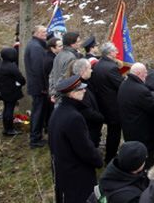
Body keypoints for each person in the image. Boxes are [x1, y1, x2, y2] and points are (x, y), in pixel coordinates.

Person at [48, 75, 103, 203]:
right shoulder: (74, 117)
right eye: (80, 89)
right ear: (72, 94)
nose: (84, 90)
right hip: (76, 173)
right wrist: (98, 159)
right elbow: (84, 148)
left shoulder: (58, 112)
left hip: (63, 171)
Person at [118, 63, 154, 169]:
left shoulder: (124, 84)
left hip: (129, 127)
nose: (146, 75)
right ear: (138, 73)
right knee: (145, 157)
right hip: (143, 131)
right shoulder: (141, 90)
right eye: (145, 73)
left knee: (133, 156)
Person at [91, 42, 124, 164]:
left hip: (102, 104)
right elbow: (121, 85)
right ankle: (111, 157)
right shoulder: (111, 68)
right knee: (114, 133)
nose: (117, 52)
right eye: (115, 51)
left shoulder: (98, 65)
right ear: (110, 53)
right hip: (112, 107)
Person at [68, 58, 104, 147]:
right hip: (89, 128)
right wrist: (101, 117)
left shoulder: (85, 82)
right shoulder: (78, 88)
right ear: (83, 71)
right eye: (89, 68)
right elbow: (86, 110)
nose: (91, 71)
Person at [24, 25, 49, 148]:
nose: (46, 33)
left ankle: (36, 136)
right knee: (38, 112)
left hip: (37, 85)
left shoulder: (35, 45)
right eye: (43, 32)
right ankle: (35, 139)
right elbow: (39, 69)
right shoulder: (36, 48)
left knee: (38, 111)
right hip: (38, 86)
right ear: (36, 33)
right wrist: (44, 87)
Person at [0, 47, 26, 137]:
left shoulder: (1, 64)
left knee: (7, 108)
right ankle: (9, 129)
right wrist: (21, 83)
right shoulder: (11, 66)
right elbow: (20, 78)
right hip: (11, 91)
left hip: (4, 90)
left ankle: (7, 128)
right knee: (9, 109)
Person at [49, 31, 82, 97]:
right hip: (65, 94)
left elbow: (52, 75)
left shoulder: (59, 54)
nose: (80, 43)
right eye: (78, 41)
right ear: (72, 44)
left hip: (58, 92)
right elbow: (64, 76)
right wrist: (55, 93)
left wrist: (52, 91)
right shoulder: (71, 57)